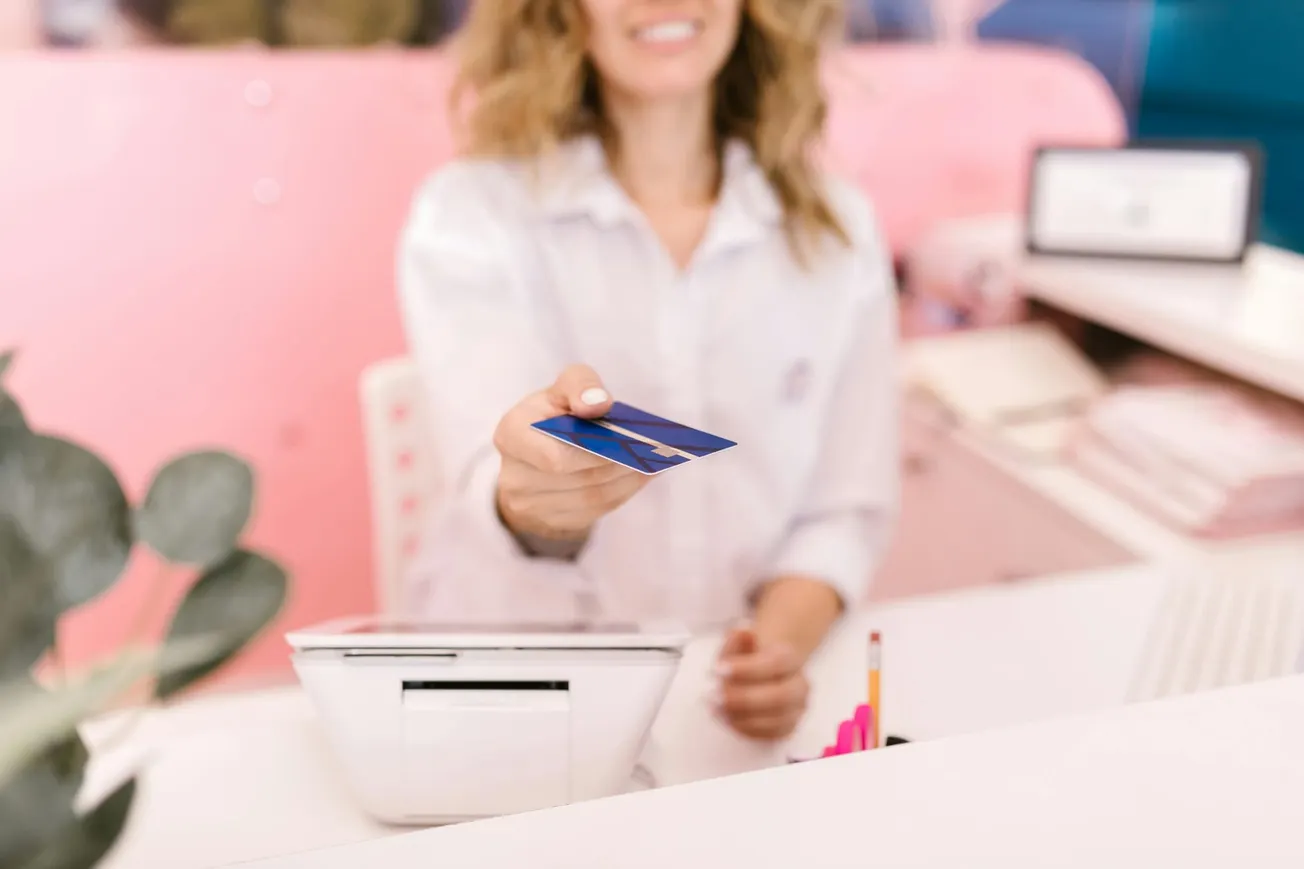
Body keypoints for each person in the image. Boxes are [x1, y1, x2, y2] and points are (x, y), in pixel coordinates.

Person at [397, 0, 899, 742]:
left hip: (720, 719)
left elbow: (841, 512)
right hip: (510, 697)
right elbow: (490, 479)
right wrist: (537, 502)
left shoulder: (838, 232)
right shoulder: (469, 216)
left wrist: (777, 647)